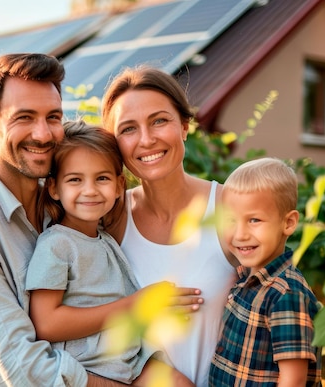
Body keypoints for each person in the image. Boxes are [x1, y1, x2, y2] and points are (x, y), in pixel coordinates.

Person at [0, 53, 125, 386]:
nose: (44, 134)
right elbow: (24, 373)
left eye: (53, 117)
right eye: (25, 117)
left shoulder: (69, 207)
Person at [26, 120, 194, 386]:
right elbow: (46, 323)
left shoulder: (105, 238)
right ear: (54, 187)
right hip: (92, 368)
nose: (90, 190)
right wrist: (136, 304)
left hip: (129, 361)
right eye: (75, 180)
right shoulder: (56, 244)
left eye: (101, 178)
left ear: (118, 186)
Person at [100, 65, 239, 387]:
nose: (146, 140)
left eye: (159, 121)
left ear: (185, 126)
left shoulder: (231, 207)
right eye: (128, 129)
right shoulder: (109, 221)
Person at [209, 157, 322, 386]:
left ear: (288, 223)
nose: (240, 234)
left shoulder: (286, 295)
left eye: (254, 220)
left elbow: (293, 380)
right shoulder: (246, 279)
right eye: (230, 220)